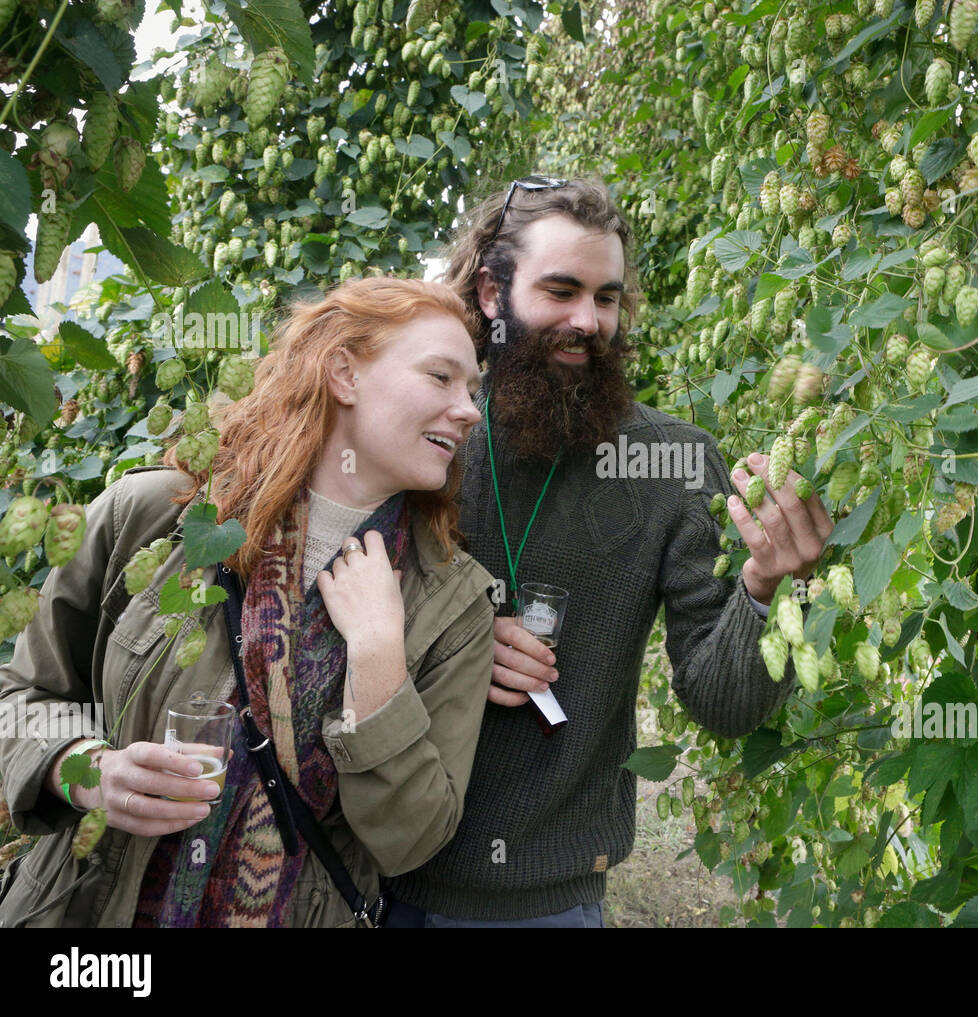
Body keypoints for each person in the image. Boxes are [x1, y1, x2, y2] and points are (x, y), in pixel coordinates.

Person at [381, 177, 834, 927]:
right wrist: (449, 643)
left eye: (608, 297)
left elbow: (722, 703)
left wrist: (764, 588)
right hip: (377, 876)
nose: (588, 321)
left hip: (551, 906)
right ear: (493, 294)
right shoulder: (421, 434)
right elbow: (308, 621)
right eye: (560, 290)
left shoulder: (676, 466)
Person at [0, 277, 496, 927]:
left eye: (472, 391)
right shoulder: (153, 518)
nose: (468, 410)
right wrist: (82, 769)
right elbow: (21, 702)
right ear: (344, 373)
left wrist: (379, 659)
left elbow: (411, 840)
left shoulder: (454, 605)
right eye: (441, 377)